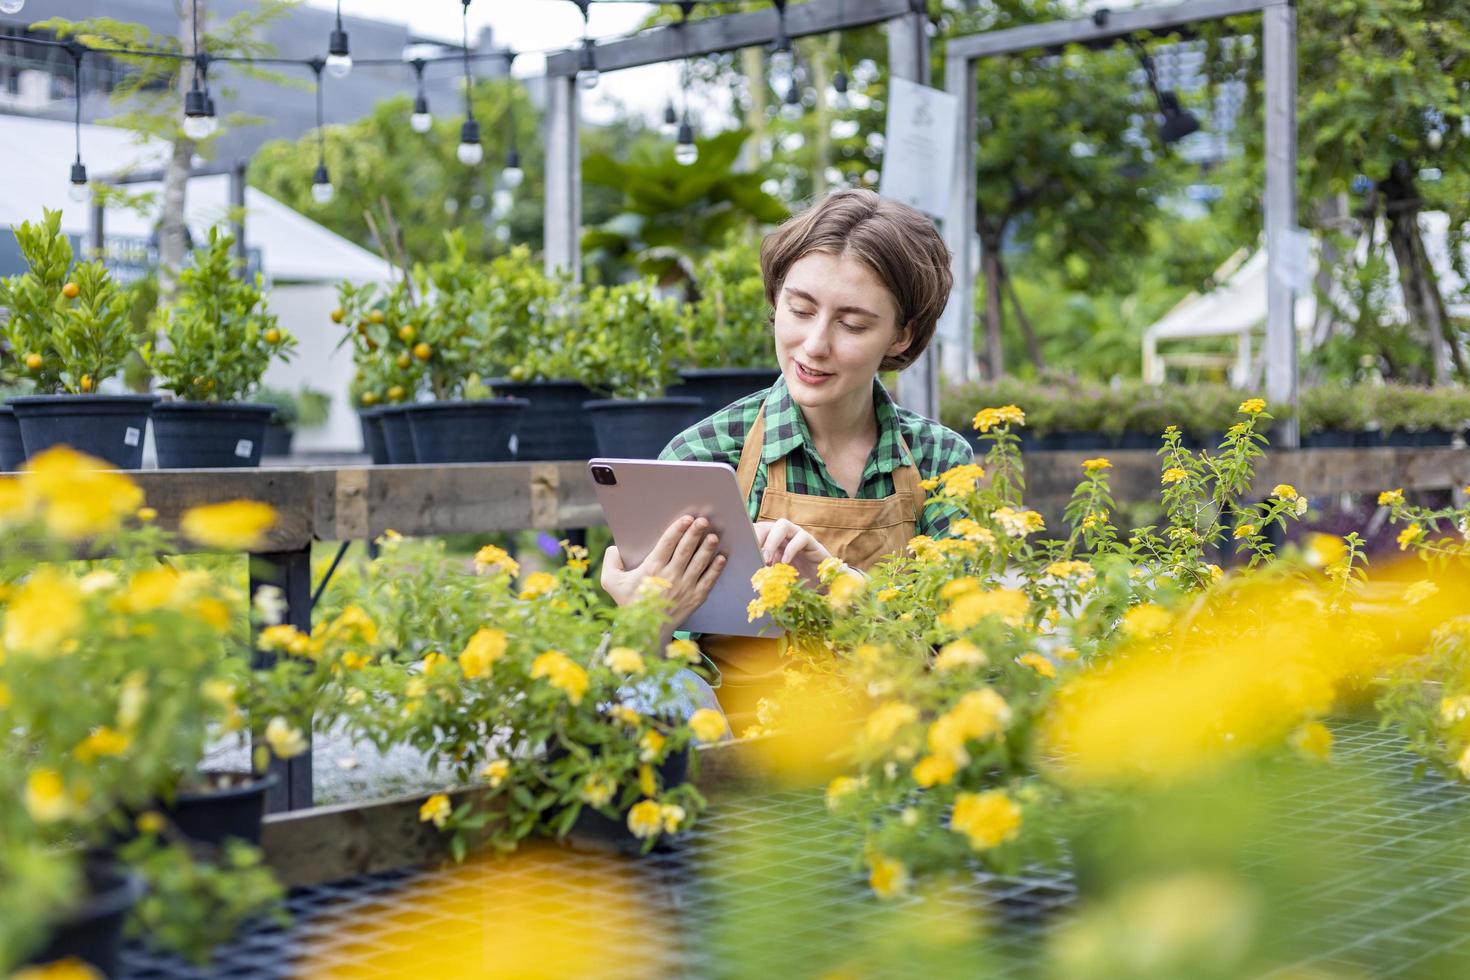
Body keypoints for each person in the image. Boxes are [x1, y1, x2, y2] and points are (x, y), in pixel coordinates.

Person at [601, 189, 974, 729]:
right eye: (800, 310)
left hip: (888, 747)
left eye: (852, 324)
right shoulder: (705, 456)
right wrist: (647, 620)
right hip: (732, 758)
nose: (813, 344)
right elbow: (655, 683)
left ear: (901, 335)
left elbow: (959, 660)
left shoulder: (940, 461)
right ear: (777, 300)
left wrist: (838, 587)